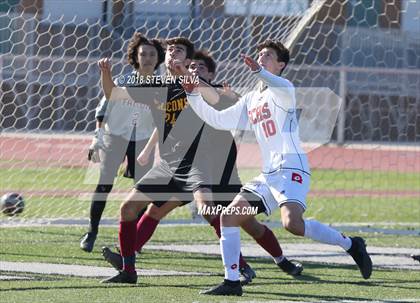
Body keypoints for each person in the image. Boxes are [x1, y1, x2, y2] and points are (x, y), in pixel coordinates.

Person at [181, 39, 373, 296]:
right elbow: (217, 119)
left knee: (292, 224)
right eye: (260, 53)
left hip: (292, 167)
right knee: (229, 216)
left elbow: (279, 83)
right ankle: (232, 282)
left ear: (281, 64)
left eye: (268, 55)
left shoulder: (284, 90)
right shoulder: (251, 99)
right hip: (268, 174)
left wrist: (260, 72)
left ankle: (351, 245)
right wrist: (192, 94)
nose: (262, 57)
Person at [101, 49, 261, 285]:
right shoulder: (154, 86)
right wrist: (106, 73)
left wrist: (189, 76)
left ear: (187, 61)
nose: (172, 54)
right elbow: (113, 93)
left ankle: (242, 267)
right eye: (169, 50)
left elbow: (220, 100)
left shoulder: (197, 86)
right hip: (168, 164)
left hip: (196, 161)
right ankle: (128, 271)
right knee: (128, 208)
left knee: (208, 210)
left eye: (178, 51)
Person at [80, 32, 164, 252]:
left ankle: (133, 239)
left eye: (151, 54)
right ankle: (92, 232)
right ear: (135, 57)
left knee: (142, 190)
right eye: (142, 53)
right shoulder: (123, 81)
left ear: (158, 58)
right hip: (114, 137)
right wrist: (96, 138)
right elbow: (102, 110)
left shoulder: (162, 87)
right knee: (104, 183)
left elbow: (165, 121)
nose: (147, 57)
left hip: (143, 141)